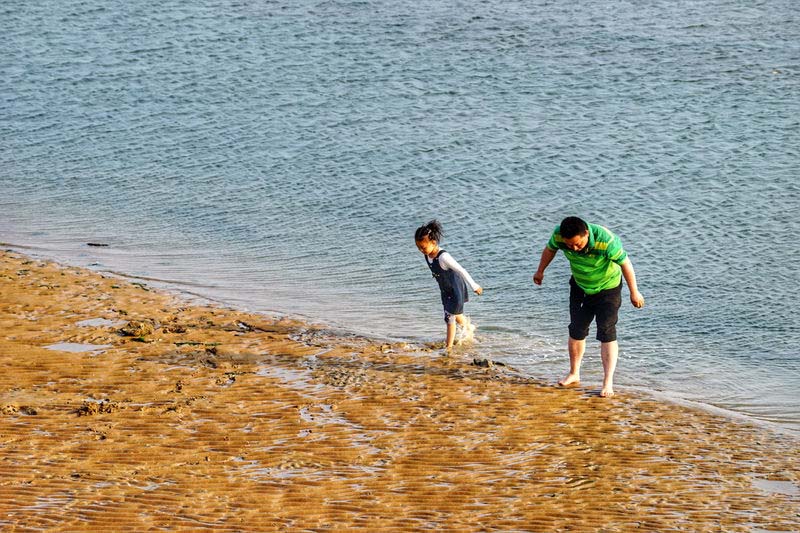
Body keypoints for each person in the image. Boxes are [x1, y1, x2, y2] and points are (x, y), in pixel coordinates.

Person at [533, 216, 644, 397]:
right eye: (570, 246)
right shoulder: (559, 236)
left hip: (608, 288)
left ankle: (608, 383)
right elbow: (549, 250)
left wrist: (635, 292)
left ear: (586, 233)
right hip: (580, 286)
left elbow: (625, 263)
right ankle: (574, 373)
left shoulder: (606, 240)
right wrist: (540, 271)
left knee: (606, 332)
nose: (574, 249)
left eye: (578, 244)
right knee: (576, 329)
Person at [415, 220, 483, 352]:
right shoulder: (428, 255)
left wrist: (474, 286)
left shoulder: (443, 257)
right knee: (455, 314)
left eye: (423, 247)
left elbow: (461, 270)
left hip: (455, 288)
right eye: (418, 248)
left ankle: (449, 348)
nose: (421, 251)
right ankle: (469, 328)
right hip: (445, 290)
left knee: (449, 317)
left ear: (433, 242)